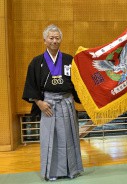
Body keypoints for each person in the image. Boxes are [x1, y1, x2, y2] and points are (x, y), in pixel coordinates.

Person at [22, 24, 84, 181]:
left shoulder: (70, 60)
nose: (54, 41)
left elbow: (79, 83)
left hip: (66, 103)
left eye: (57, 38)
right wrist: (39, 102)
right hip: (48, 105)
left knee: (69, 138)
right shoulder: (37, 62)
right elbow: (31, 84)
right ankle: (52, 172)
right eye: (51, 38)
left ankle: (72, 170)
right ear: (44, 40)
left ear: (61, 39)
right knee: (50, 139)